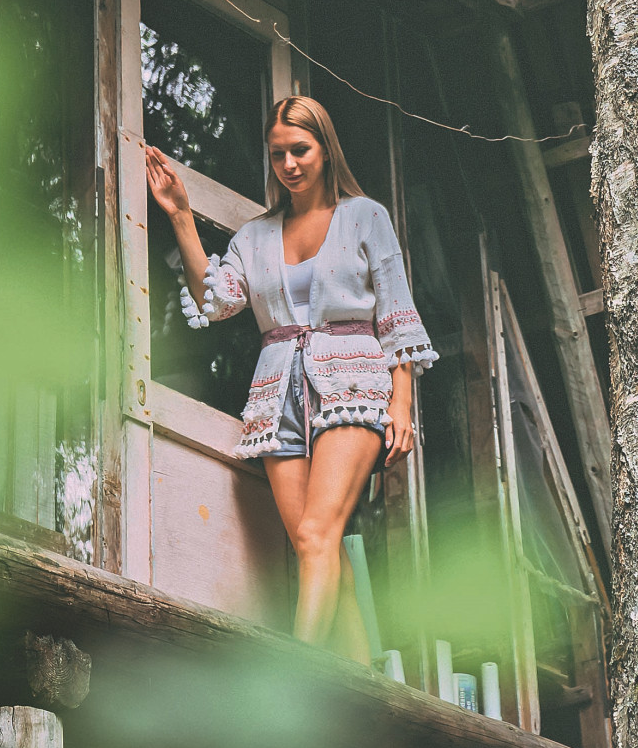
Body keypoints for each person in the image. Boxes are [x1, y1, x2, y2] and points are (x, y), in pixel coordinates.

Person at [145, 95, 436, 662]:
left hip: (354, 385)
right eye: (278, 154)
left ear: (326, 149)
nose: (289, 164)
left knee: (314, 534)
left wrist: (401, 404)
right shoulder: (254, 237)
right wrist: (180, 215)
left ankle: (299, 670)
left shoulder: (366, 217)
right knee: (315, 546)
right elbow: (217, 302)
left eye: (300, 150)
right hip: (276, 395)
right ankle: (364, 684)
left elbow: (397, 315)